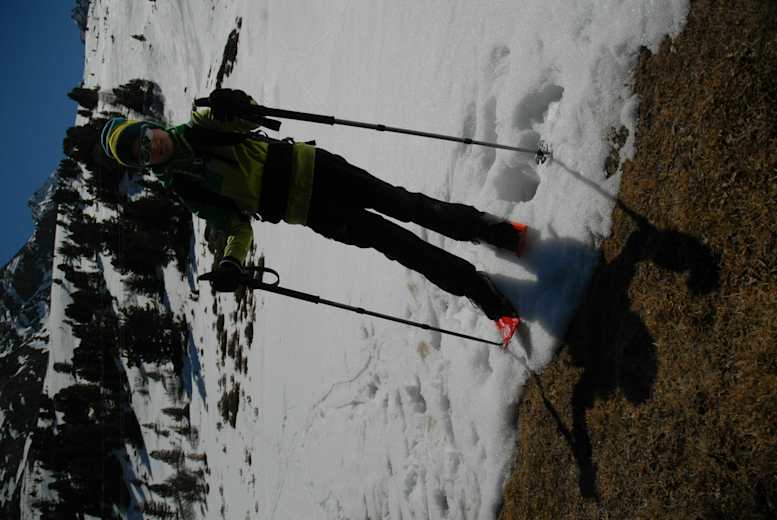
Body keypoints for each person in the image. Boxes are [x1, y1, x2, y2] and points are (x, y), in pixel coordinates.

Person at [99, 88, 528, 344]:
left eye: (143, 138)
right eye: (141, 155)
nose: (151, 148)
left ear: (150, 126)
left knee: (403, 204)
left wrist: (232, 103)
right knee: (399, 245)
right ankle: (480, 290)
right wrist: (231, 261)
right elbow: (235, 226)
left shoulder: (200, 126)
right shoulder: (187, 189)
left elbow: (239, 115)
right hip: (311, 212)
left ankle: (490, 230)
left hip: (318, 169)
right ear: (145, 167)